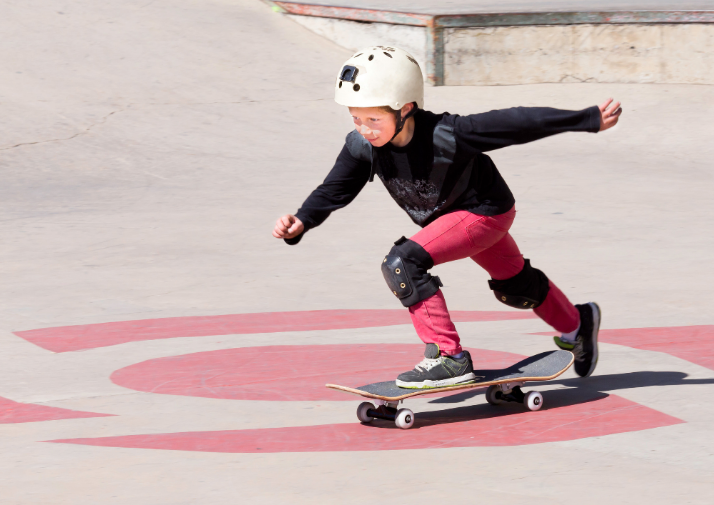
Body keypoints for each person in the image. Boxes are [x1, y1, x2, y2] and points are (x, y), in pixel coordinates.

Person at [273, 46, 622, 389]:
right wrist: (303, 220)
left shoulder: (448, 133)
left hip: (484, 213)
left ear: (405, 108)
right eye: (356, 118)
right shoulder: (363, 146)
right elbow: (336, 188)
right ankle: (578, 323)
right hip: (452, 222)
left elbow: (517, 122)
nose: (365, 129)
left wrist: (586, 119)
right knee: (515, 286)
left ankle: (447, 357)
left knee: (402, 263)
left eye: (374, 119)